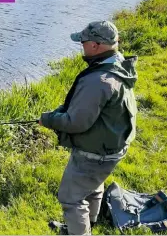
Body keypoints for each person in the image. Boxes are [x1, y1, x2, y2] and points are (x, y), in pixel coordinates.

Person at [39, 20, 138, 235]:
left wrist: (48, 119)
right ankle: (88, 224)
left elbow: (75, 123)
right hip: (112, 147)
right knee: (92, 185)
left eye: (83, 42)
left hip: (96, 154)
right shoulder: (118, 63)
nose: (81, 45)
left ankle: (79, 231)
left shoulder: (98, 80)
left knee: (71, 198)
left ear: (95, 45)